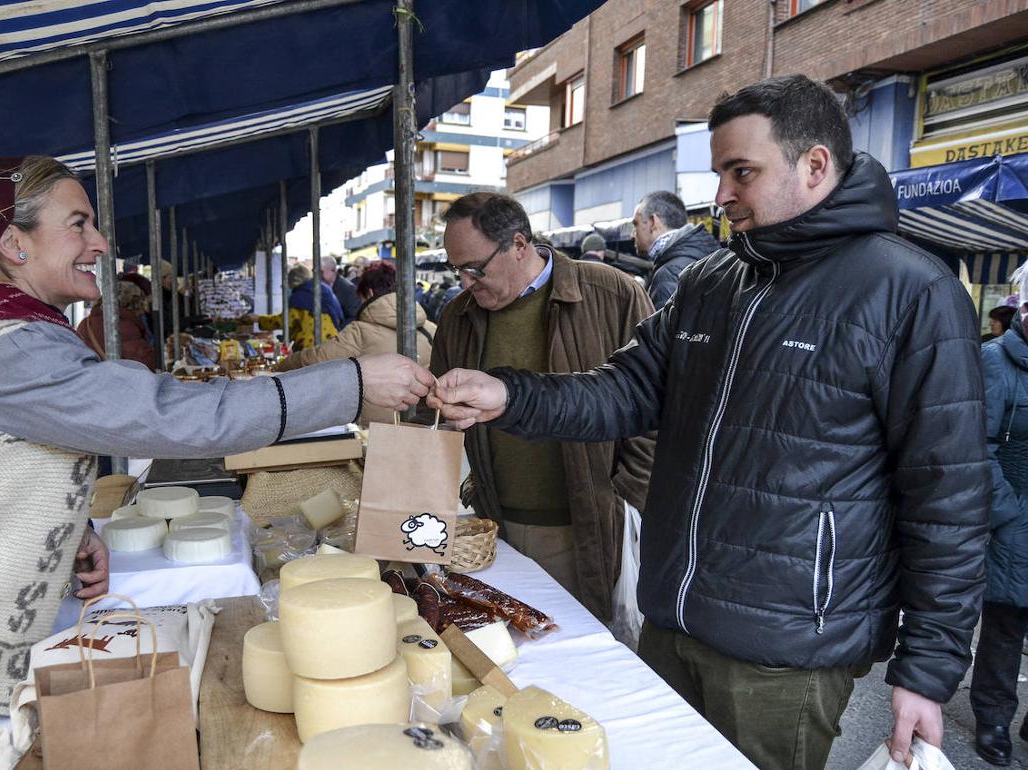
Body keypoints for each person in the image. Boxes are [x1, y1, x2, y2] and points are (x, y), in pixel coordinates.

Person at [0, 156, 434, 770]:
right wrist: (350, 382)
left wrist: (67, 534)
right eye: (78, 225)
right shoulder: (12, 348)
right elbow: (174, 415)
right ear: (14, 244)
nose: (98, 243)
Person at [429, 76, 987, 770]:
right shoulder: (711, 284)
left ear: (814, 165)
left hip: (784, 657)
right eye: (719, 172)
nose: (720, 194)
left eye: (741, 172)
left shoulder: (910, 293)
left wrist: (927, 670)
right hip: (671, 622)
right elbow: (621, 392)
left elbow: (950, 498)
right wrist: (508, 395)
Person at [430, 192, 656, 621]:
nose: (464, 282)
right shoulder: (456, 316)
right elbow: (435, 420)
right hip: (493, 526)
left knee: (586, 650)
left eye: (475, 268)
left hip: (587, 526)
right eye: (456, 268)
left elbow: (656, 401)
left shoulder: (611, 293)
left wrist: (623, 497)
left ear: (518, 245)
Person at [971, 270, 1028, 766]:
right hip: (1014, 513)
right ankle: (992, 718)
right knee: (1006, 625)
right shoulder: (994, 360)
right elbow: (976, 448)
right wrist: (1007, 513)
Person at [276, 261, 435, 426]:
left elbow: (316, 359)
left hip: (375, 434)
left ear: (369, 292)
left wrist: (282, 365)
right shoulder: (432, 329)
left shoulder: (359, 332)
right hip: (425, 430)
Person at [632, 190, 721, 310]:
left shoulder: (669, 273)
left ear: (653, 222)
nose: (632, 234)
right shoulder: (704, 253)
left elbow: (663, 329)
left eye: (636, 224)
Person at [76, 280, 154, 368]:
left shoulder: (85, 323)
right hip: (116, 380)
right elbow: (144, 362)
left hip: (90, 379)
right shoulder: (124, 326)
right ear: (134, 302)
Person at [286, 263, 344, 350]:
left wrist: (260, 319)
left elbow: (288, 321)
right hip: (332, 340)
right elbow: (340, 314)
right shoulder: (325, 288)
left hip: (308, 345)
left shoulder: (298, 297)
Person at [321, 255, 360, 322]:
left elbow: (353, 317)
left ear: (333, 270)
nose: (317, 275)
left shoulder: (349, 289)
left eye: (321, 272)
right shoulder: (318, 287)